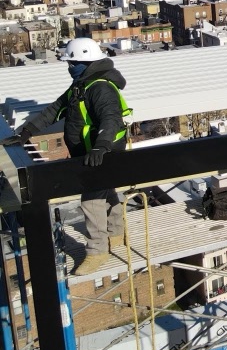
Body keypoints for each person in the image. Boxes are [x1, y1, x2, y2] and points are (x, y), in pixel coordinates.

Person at [1, 38, 131, 274]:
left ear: (85, 62)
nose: (69, 67)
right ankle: (116, 234)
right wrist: (25, 133)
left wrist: (101, 146)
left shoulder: (100, 88)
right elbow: (54, 110)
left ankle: (97, 251)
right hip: (92, 151)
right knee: (108, 191)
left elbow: (110, 119)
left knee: (91, 200)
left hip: (106, 150)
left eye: (72, 63)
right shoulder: (81, 85)